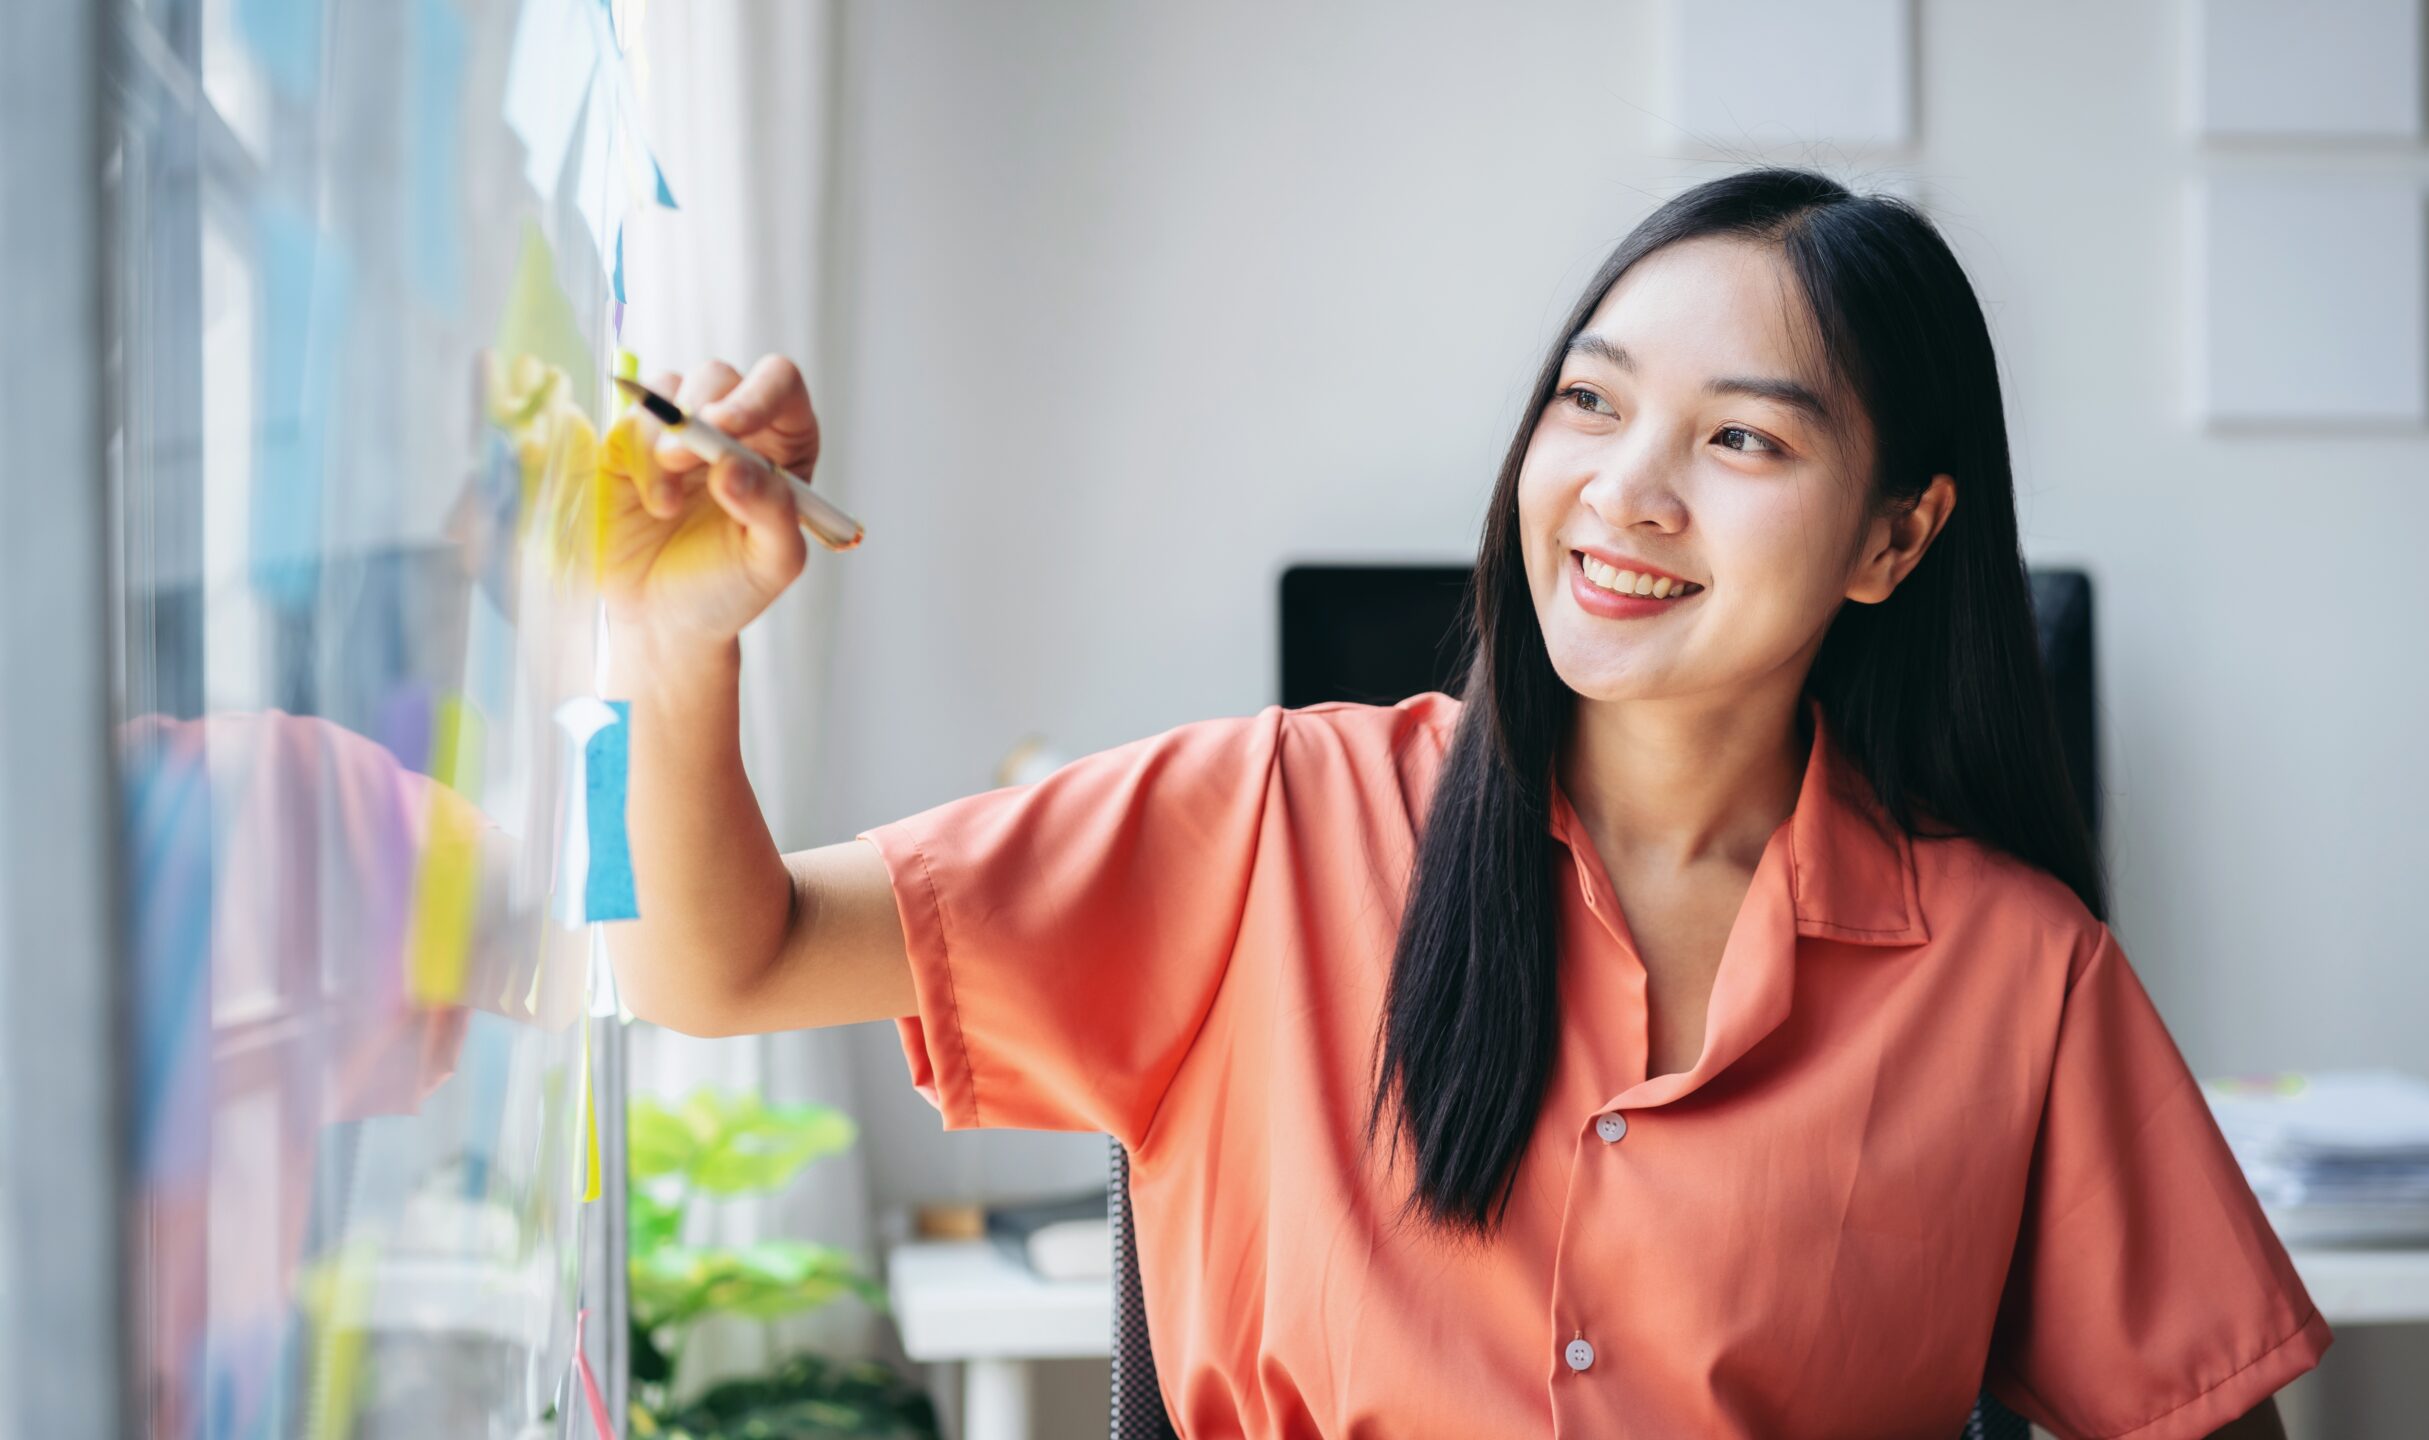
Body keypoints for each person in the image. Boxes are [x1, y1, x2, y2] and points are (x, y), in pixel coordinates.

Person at [599, 167, 2329, 1438]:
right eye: (1591, 402)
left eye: (1744, 442)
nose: (1624, 492)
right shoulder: (1272, 816)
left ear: (1897, 538)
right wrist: (682, 651)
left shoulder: (2015, 976)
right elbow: (721, 965)